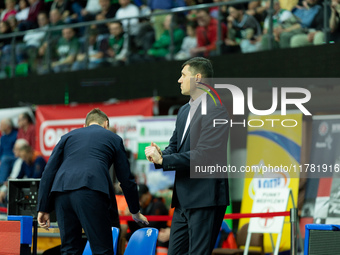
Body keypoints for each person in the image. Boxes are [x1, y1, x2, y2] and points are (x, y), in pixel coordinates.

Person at [145, 57, 230, 255]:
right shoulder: (184, 110)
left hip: (205, 197)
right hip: (183, 199)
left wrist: (164, 160)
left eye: (183, 75)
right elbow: (175, 146)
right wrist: (160, 154)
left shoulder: (216, 109)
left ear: (198, 78)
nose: (179, 80)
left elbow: (205, 155)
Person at [37, 108, 149, 254]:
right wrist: (134, 210)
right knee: (102, 250)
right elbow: (126, 179)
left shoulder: (67, 136)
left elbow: (48, 172)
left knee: (69, 250)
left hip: (61, 193)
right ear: (106, 124)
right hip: (90, 190)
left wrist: (43, 207)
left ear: (85, 126)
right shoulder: (113, 138)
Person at [0, 118, 17, 185]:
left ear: (8, 126)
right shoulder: (3, 137)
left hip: (13, 157)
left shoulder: (16, 135)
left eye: (1, 125)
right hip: (4, 158)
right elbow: (1, 150)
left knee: (5, 159)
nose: (0, 126)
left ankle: (1, 183)